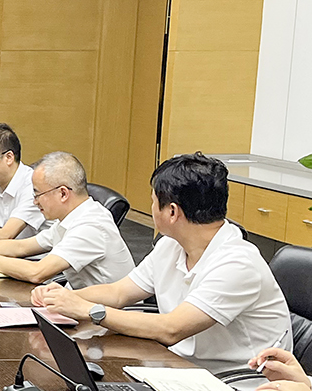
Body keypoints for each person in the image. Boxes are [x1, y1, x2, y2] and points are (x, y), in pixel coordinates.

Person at [33, 153, 292, 373]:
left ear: (172, 211)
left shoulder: (237, 263)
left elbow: (171, 329)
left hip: (237, 387)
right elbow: (119, 292)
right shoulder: (171, 245)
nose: (151, 207)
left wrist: (89, 310)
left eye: (154, 201)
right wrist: (62, 298)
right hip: (180, 367)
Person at [0, 152, 134, 288]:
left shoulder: (90, 225)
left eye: (38, 194)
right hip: (82, 304)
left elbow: (38, 272)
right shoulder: (69, 219)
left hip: (109, 318)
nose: (34, 201)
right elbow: (21, 247)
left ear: (63, 193)